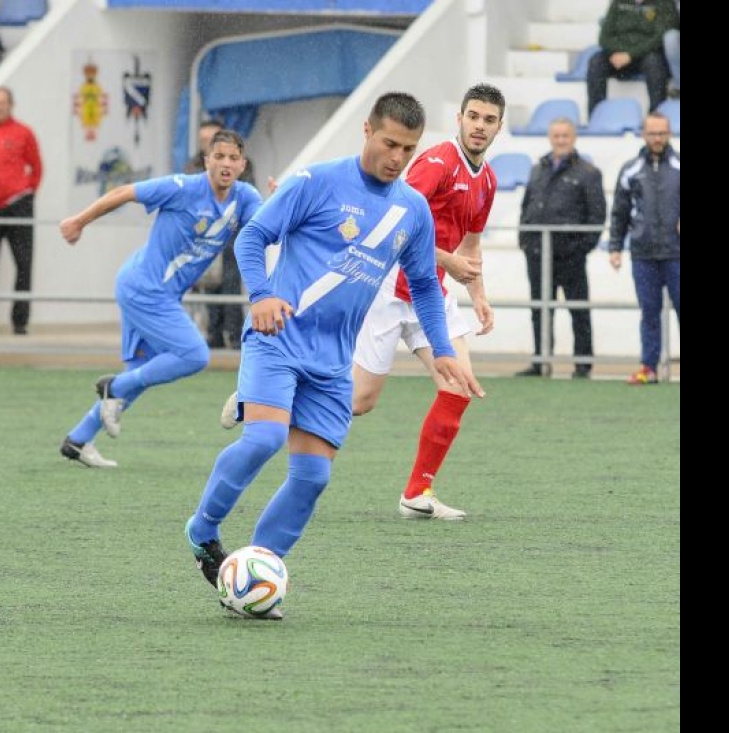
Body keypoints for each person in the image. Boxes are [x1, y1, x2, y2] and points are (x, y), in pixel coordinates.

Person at [185, 93, 484, 618]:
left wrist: (442, 350)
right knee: (264, 438)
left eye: (408, 148)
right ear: (366, 130)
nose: (397, 157)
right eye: (389, 143)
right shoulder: (316, 181)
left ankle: (256, 574)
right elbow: (252, 238)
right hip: (279, 338)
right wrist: (261, 295)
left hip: (330, 362)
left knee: (313, 478)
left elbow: (424, 283)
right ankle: (203, 530)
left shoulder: (411, 209)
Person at [221, 83, 502, 521]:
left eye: (489, 120)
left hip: (430, 290)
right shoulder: (436, 162)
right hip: (388, 287)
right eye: (474, 117)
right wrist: (447, 259)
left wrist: (478, 297)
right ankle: (259, 395)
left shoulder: (487, 180)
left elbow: (471, 244)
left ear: (500, 126)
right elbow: (394, 225)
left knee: (458, 384)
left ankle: (417, 492)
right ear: (460, 119)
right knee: (363, 400)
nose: (480, 126)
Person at [58, 129, 262, 469]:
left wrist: (280, 203)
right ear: (207, 161)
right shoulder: (183, 187)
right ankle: (114, 387)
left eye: (233, 158)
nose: (226, 163)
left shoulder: (246, 198)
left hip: (156, 291)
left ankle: (78, 439)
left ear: (242, 165)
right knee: (195, 355)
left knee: (143, 371)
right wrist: (79, 221)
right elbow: (124, 192)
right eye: (219, 156)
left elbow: (265, 224)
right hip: (143, 288)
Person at [514, 117, 607, 378]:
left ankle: (583, 364)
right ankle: (541, 362)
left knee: (578, 309)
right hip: (537, 254)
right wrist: (525, 239)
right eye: (556, 135)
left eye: (565, 135)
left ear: (574, 137)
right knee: (540, 309)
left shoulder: (588, 172)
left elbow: (597, 214)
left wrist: (581, 248)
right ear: (550, 137)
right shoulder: (538, 169)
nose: (561, 140)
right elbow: (527, 206)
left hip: (570, 255)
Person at [608, 111, 679, 385]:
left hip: (677, 254)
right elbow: (620, 213)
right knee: (649, 312)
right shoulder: (630, 170)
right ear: (643, 134)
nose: (658, 138)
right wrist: (615, 247)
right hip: (643, 255)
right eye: (653, 133)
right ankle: (648, 368)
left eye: (662, 133)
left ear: (669, 133)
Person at [0, 87, 43, 335]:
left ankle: (20, 323)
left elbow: (36, 168)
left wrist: (26, 193)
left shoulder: (24, 132)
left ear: (11, 104)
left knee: (23, 265)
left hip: (18, 206)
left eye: (2, 102)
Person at [186, 118, 257, 351]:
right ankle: (213, 334)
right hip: (204, 237)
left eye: (211, 138)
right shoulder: (193, 168)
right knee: (206, 285)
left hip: (232, 237)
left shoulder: (243, 175)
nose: (225, 163)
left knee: (231, 283)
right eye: (204, 141)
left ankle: (235, 336)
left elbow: (248, 201)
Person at [585, 0, 679, 116]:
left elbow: (660, 36)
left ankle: (656, 115)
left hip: (647, 54)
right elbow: (604, 36)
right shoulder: (618, 3)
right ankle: (597, 115)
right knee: (596, 62)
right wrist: (617, 51)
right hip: (618, 54)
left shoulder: (664, 3)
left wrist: (630, 55)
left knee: (655, 64)